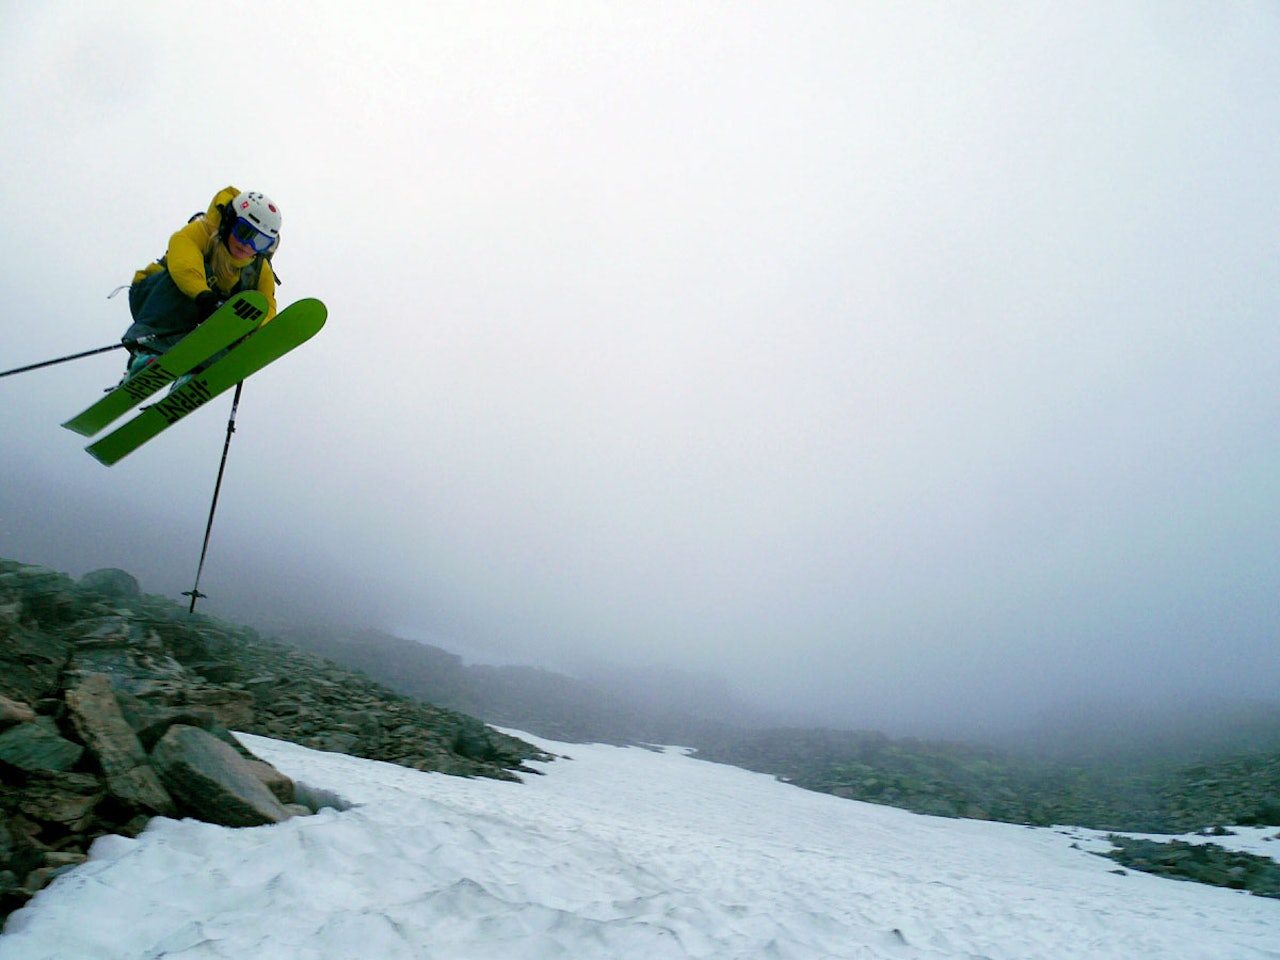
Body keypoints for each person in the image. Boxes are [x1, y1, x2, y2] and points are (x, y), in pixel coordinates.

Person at [122, 186, 281, 377]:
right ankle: (146, 352)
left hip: (197, 317)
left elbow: (265, 305)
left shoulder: (258, 270)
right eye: (244, 233)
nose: (248, 245)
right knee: (189, 278)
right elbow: (184, 264)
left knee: (241, 309)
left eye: (261, 242)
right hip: (154, 298)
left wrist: (253, 330)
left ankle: (199, 371)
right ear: (230, 222)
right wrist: (204, 296)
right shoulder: (202, 232)